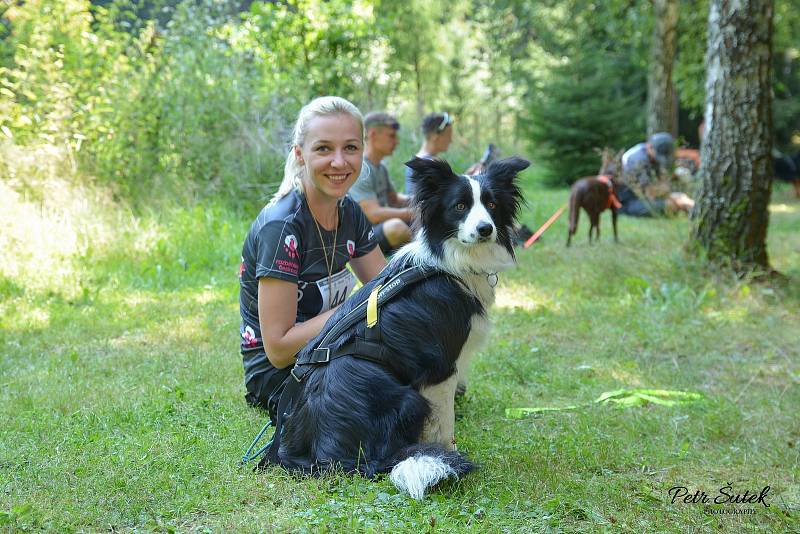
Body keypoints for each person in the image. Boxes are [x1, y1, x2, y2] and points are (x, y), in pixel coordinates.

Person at [238, 96, 387, 422]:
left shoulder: (349, 212)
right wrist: (355, 307)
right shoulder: (282, 228)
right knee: (373, 404)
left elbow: (384, 289)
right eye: (323, 149)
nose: (339, 162)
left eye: (350, 148)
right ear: (299, 154)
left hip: (334, 346)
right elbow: (278, 350)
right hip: (282, 374)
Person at [348, 112, 414, 253]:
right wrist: (413, 213)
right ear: (372, 135)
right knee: (396, 227)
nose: (396, 141)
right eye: (391, 136)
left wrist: (424, 202)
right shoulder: (361, 168)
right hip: (360, 238)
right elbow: (373, 214)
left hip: (378, 229)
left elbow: (394, 200)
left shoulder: (380, 167)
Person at [617, 132, 695, 216]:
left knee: (679, 199)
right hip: (628, 203)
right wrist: (674, 194)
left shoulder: (649, 154)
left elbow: (660, 181)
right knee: (671, 204)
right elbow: (650, 193)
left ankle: (694, 209)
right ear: (650, 146)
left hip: (642, 198)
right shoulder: (638, 160)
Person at [404, 111, 454, 195]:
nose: (451, 140)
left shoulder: (416, 161)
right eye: (448, 135)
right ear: (435, 136)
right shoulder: (429, 165)